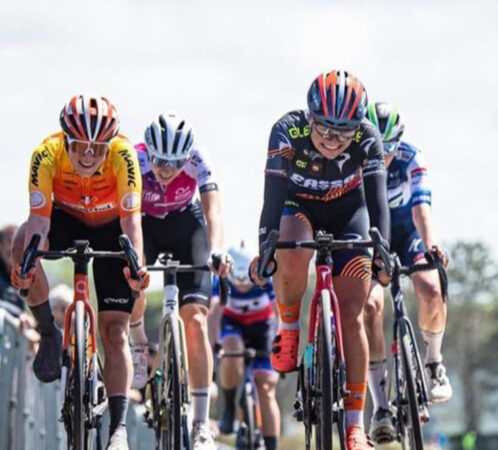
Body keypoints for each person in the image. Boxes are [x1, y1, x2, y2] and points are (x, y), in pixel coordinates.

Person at [251, 70, 390, 450]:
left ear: (358, 127)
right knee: (290, 247)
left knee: (352, 315)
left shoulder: (368, 137)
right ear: (310, 117)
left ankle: (355, 424)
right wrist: (266, 246)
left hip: (350, 214)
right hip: (297, 207)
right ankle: (289, 326)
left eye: (344, 132)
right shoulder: (286, 131)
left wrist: (383, 250)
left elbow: (378, 203)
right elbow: (272, 197)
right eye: (325, 128)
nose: (333, 139)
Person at [11, 94, 150, 450]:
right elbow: (40, 222)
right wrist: (28, 264)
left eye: (98, 148)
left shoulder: (123, 155)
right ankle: (49, 331)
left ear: (109, 145)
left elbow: (132, 223)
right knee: (21, 243)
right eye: (80, 147)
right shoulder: (46, 154)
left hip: (111, 228)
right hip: (66, 219)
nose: (89, 155)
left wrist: (137, 266)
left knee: (115, 331)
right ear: (66, 141)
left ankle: (118, 429)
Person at [129, 111, 231, 449]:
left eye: (175, 162)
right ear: (149, 153)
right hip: (145, 225)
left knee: (196, 320)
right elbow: (125, 216)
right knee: (133, 280)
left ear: (187, 156)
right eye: (159, 161)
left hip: (187, 225)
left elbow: (213, 210)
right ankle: (139, 343)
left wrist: (217, 251)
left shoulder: (200, 158)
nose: (166, 169)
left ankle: (201, 424)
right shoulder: (134, 159)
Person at [363, 102, 452, 443]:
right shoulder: (354, 157)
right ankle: (380, 407)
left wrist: (431, 246)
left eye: (389, 147)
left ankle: (434, 362)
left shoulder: (412, 156)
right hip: (372, 235)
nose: (383, 154)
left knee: (431, 286)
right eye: (377, 146)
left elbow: (421, 209)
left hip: (407, 230)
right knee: (370, 307)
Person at [216, 240, 280, 450]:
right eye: (237, 284)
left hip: (263, 328)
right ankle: (229, 406)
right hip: (233, 326)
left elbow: (279, 313)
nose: (242, 288)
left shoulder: (267, 280)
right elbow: (213, 313)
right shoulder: (221, 279)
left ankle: (272, 445)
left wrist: (281, 342)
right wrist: (214, 343)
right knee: (231, 350)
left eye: (247, 284)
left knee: (266, 386)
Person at [0, 224, 26, 315]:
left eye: (17, 242)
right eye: (9, 241)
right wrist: (20, 315)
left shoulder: (22, 276)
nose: (13, 247)